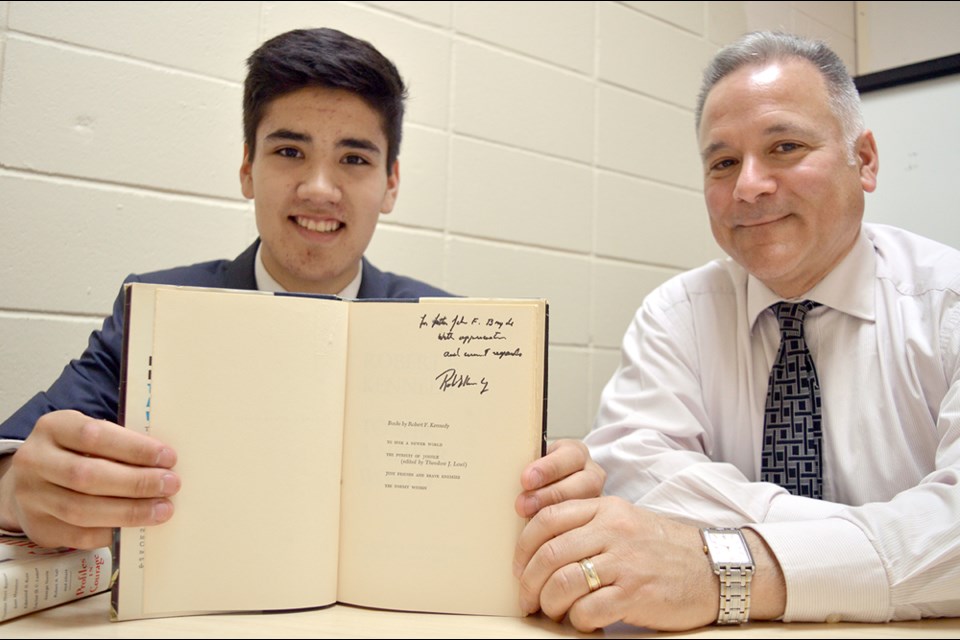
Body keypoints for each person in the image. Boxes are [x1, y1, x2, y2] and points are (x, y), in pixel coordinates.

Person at [513, 31, 960, 631]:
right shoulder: (676, 314)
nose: (749, 185)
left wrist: (735, 566)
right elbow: (638, 476)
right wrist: (875, 544)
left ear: (866, 160)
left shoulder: (947, 304)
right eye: (723, 162)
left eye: (785, 146)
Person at [0, 27, 449, 550]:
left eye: (354, 159)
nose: (319, 189)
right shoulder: (156, 310)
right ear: (246, 169)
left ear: (390, 183)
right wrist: (13, 489)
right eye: (288, 151)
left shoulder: (447, 330)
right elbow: (20, 450)